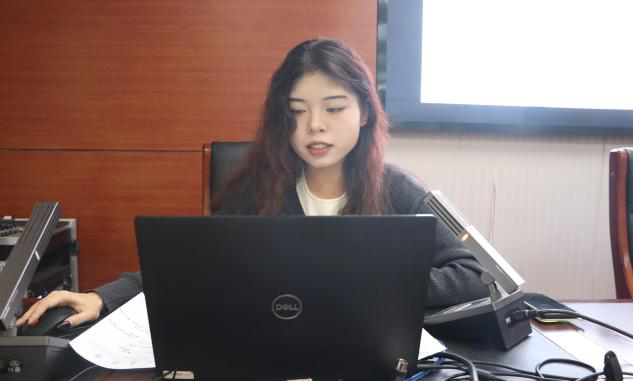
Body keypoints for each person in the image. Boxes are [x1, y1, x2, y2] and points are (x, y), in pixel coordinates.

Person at [17, 38, 488, 330]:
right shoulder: (256, 190)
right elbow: (194, 265)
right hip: (273, 345)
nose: (315, 125)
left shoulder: (397, 189)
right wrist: (102, 296)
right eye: (297, 112)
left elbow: (472, 274)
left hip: (368, 355)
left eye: (334, 107)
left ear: (365, 112)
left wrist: (370, 283)